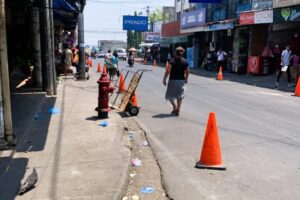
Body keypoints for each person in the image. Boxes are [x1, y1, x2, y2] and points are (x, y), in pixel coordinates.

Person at [163, 47, 189, 116]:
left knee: (169, 95)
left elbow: (168, 70)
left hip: (172, 80)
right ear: (182, 53)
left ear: (175, 53)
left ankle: (174, 107)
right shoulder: (185, 61)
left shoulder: (172, 61)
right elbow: (187, 71)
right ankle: (178, 110)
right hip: (181, 81)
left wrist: (164, 79)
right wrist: (186, 78)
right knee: (179, 96)